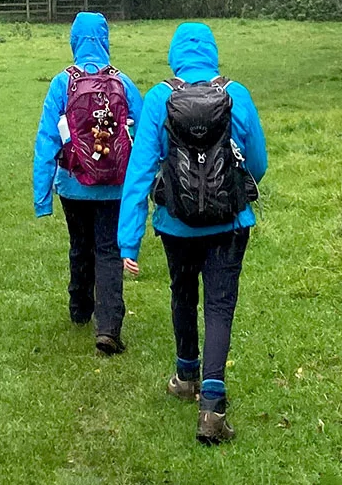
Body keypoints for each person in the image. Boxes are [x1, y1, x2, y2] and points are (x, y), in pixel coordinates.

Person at [117, 22, 267, 444]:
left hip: (175, 224)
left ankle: (186, 375)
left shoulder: (159, 98)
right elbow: (259, 161)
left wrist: (129, 240)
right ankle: (213, 409)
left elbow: (140, 172)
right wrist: (233, 187)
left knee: (183, 293)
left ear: (175, 52)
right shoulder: (236, 94)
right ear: (213, 51)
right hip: (230, 224)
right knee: (219, 306)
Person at [32, 12, 143, 355]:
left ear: (74, 40)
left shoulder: (61, 83)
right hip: (114, 185)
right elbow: (144, 137)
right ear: (106, 39)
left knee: (80, 244)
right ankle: (108, 328)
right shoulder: (123, 83)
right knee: (109, 250)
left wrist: (42, 197)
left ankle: (80, 309)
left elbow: (46, 140)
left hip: (72, 183)